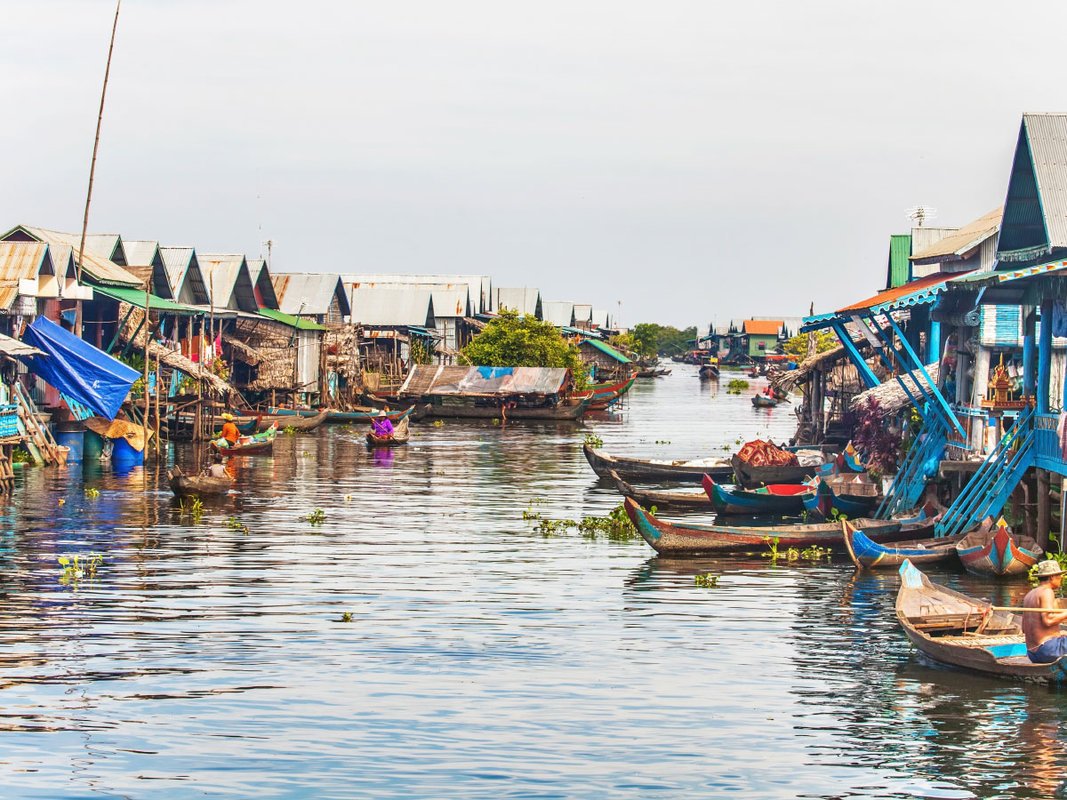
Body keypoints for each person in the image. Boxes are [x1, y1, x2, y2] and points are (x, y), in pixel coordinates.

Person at [1023, 560, 1067, 663]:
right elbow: (1048, 620)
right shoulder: (1047, 591)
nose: (1061, 578)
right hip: (1048, 650)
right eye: (1059, 576)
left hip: (1033, 654)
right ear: (1052, 577)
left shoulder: (1029, 595)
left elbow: (1023, 628)